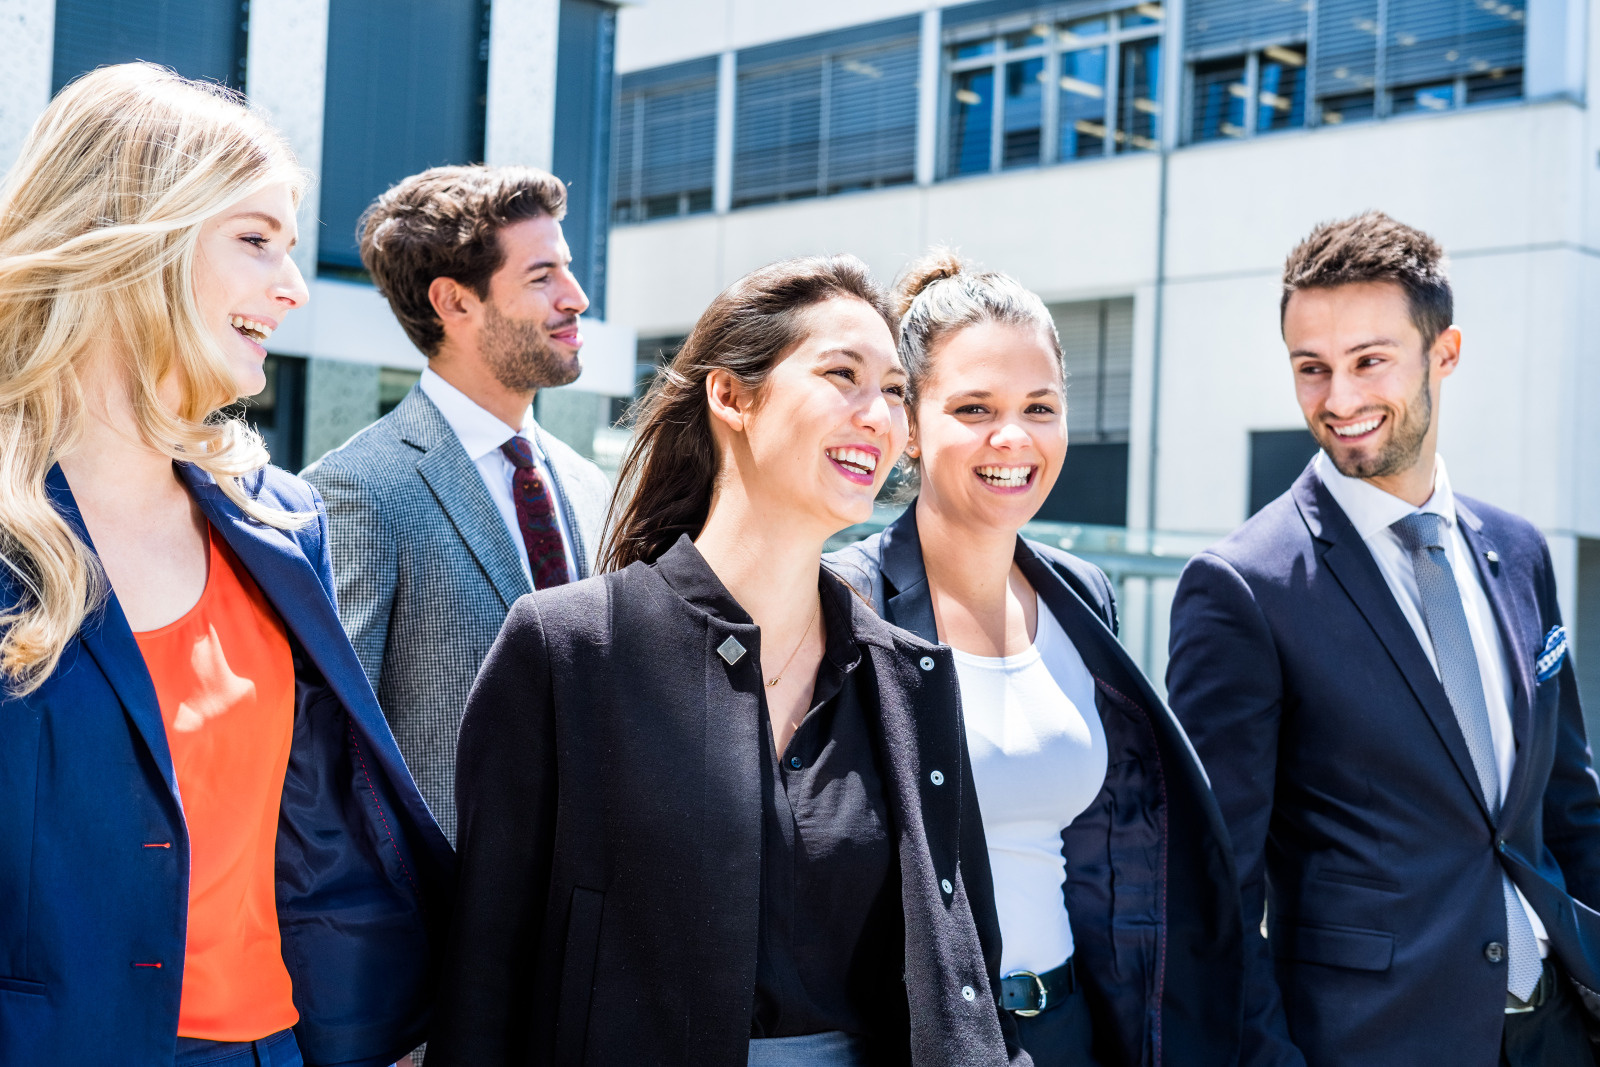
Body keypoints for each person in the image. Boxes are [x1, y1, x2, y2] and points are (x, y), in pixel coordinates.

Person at [428, 255, 1025, 1067]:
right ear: (730, 395)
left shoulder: (909, 681)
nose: (878, 414)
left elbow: (967, 975)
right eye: (841, 374)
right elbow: (483, 982)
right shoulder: (569, 651)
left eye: (892, 390)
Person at [0, 64, 453, 1066]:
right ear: (137, 239)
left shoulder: (278, 517)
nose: (292, 287)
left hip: (270, 1047)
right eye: (255, 240)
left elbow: (316, 831)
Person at [1166, 211, 1600, 1067]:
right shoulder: (1242, 588)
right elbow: (1212, 893)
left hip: (1558, 1035)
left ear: (1445, 353)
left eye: (1370, 361)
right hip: (1372, 1044)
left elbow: (1569, 807)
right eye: (1311, 369)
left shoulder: (1518, 553)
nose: (1339, 398)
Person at [827, 252, 1243, 1066]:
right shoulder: (848, 600)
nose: (1012, 437)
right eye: (975, 407)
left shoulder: (1082, 593)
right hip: (925, 1037)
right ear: (909, 425)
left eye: (1039, 406)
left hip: (1070, 1025)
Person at [302, 164, 611, 845]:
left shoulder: (593, 488)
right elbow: (327, 756)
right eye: (542, 276)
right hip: (441, 930)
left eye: (567, 268)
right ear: (455, 303)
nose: (576, 297)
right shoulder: (358, 490)